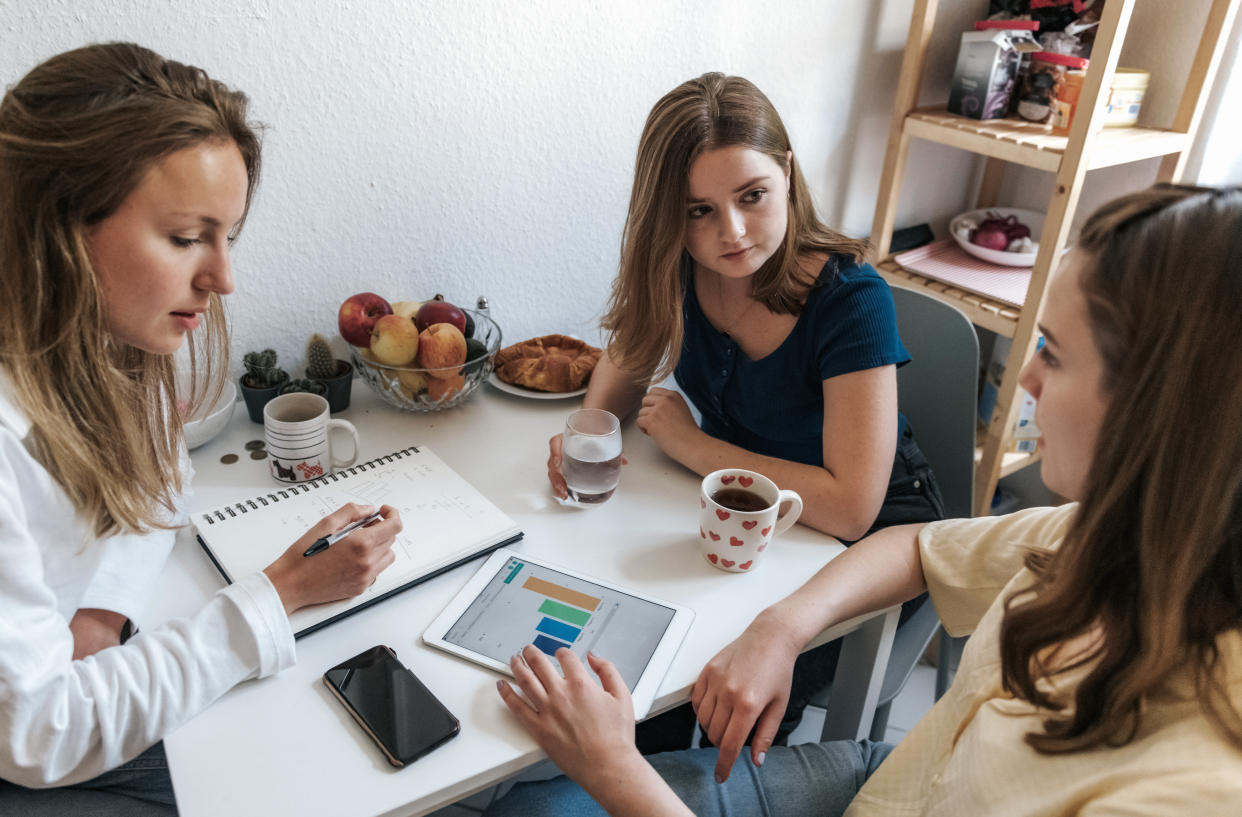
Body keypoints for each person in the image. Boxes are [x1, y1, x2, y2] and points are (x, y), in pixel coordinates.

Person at [485, 183, 1242, 816]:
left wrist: (614, 765)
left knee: (598, 761)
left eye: (1054, 352)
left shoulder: (1187, 788)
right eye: (696, 210)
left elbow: (871, 514)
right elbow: (924, 549)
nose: (1029, 383)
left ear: (1165, 406)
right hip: (904, 777)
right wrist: (780, 627)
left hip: (841, 544)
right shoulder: (1105, 533)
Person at [0, 43, 400, 814]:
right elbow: (37, 734)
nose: (223, 278)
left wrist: (102, 609)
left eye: (229, 237)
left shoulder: (110, 348)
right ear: (57, 227)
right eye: (188, 238)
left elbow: (164, 479)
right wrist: (277, 595)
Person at [545, 72, 944, 751]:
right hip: (745, 512)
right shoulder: (681, 267)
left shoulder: (851, 299)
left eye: (752, 195)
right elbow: (627, 355)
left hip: (869, 535)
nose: (730, 231)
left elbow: (851, 504)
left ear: (787, 174)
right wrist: (586, 434)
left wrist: (694, 447)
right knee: (633, 662)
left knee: (702, 697)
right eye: (698, 210)